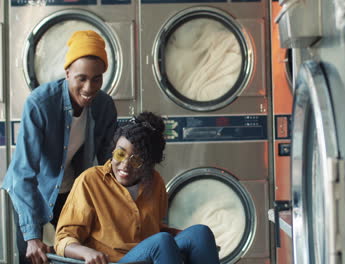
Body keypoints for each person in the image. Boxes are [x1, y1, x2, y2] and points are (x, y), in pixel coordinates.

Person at [1, 30, 118, 264]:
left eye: (97, 78)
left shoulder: (103, 105)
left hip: (71, 191)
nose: (89, 87)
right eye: (81, 78)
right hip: (33, 192)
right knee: (33, 256)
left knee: (76, 256)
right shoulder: (40, 103)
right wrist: (32, 236)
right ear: (67, 74)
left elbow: (110, 163)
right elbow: (24, 173)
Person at [54, 112, 220, 264]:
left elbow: (152, 228)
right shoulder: (90, 181)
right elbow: (63, 239)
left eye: (136, 160)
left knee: (199, 233)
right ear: (113, 151)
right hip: (113, 261)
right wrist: (86, 253)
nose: (125, 165)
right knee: (161, 242)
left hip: (149, 255)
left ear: (148, 164)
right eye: (120, 154)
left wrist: (180, 235)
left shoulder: (155, 182)